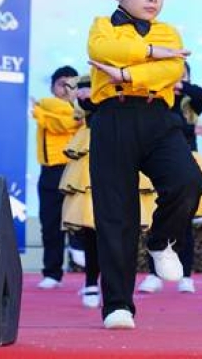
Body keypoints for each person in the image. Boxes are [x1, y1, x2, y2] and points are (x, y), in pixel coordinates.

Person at [86, 0, 202, 329]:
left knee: (189, 181)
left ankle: (159, 240)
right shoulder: (102, 26)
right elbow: (101, 51)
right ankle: (118, 305)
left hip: (158, 118)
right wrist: (151, 53)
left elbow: (172, 69)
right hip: (112, 119)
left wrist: (127, 73)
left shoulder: (168, 32)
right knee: (116, 215)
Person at [59, 76, 157, 308]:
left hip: (129, 147)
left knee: (126, 224)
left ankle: (120, 292)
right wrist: (89, 93)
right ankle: (91, 283)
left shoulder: (137, 77)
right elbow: (83, 103)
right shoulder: (90, 79)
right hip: (95, 147)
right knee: (92, 222)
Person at [138, 62, 202, 294]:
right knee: (157, 217)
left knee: (185, 222)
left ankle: (186, 275)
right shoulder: (156, 98)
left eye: (183, 74)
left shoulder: (190, 99)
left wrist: (180, 84)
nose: (177, 78)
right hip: (158, 163)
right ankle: (154, 274)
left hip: (187, 159)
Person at [30, 66, 84, 289]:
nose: (67, 89)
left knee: (80, 222)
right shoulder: (46, 104)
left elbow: (60, 122)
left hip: (75, 170)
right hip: (50, 172)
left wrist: (41, 114)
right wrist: (48, 115)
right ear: (52, 87)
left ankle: (90, 277)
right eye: (62, 84)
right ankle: (52, 273)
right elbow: (60, 123)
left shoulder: (82, 110)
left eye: (72, 85)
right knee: (50, 224)